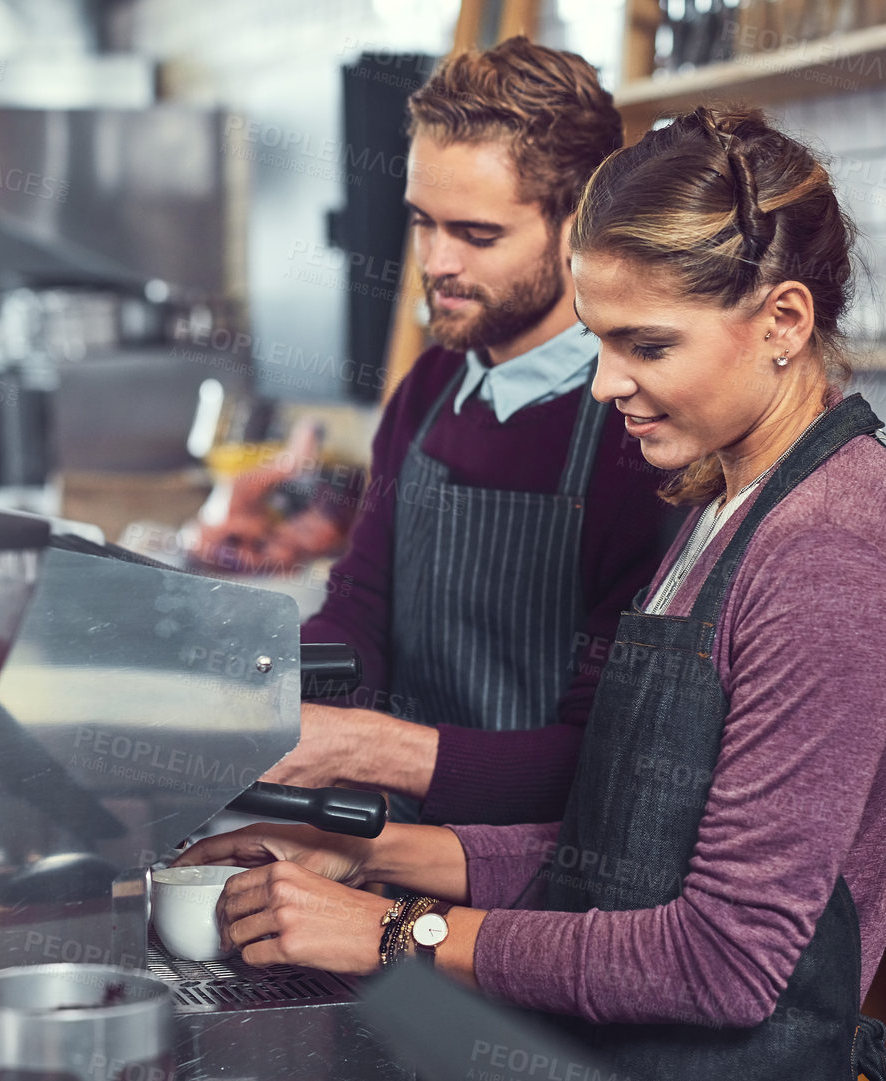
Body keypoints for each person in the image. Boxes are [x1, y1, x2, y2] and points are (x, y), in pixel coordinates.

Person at [179, 107, 886, 1079]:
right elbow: (612, 852)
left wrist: (393, 931)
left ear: (783, 321)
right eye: (597, 341)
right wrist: (360, 855)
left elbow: (725, 959)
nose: (603, 384)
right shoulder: (722, 501)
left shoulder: (831, 542)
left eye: (647, 347)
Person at [267, 38, 672, 825]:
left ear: (578, 223)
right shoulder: (428, 384)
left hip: (540, 890)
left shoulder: (637, 429)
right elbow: (361, 600)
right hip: (388, 836)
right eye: (422, 223)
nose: (436, 262)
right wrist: (265, 686)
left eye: (477, 235)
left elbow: (608, 758)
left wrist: (367, 748)